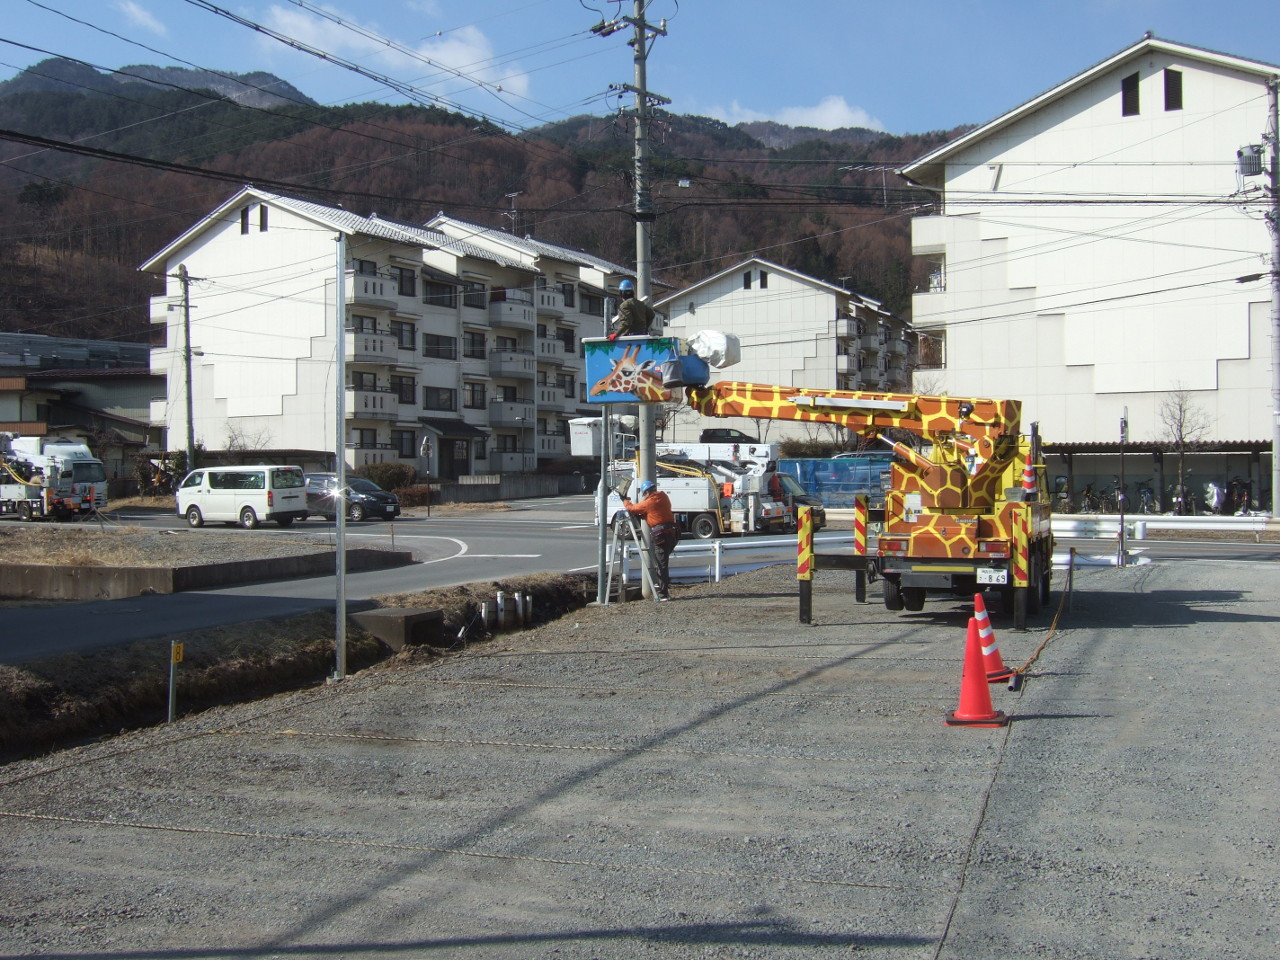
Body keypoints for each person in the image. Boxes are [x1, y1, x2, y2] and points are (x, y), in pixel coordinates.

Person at [622, 479, 679, 601]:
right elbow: (657, 512)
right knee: (663, 562)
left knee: (662, 564)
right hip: (672, 533)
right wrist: (646, 515)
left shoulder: (649, 503)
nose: (645, 496)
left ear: (647, 492)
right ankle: (662, 587)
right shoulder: (663, 497)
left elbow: (632, 508)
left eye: (644, 494)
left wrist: (624, 500)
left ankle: (663, 593)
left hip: (660, 535)